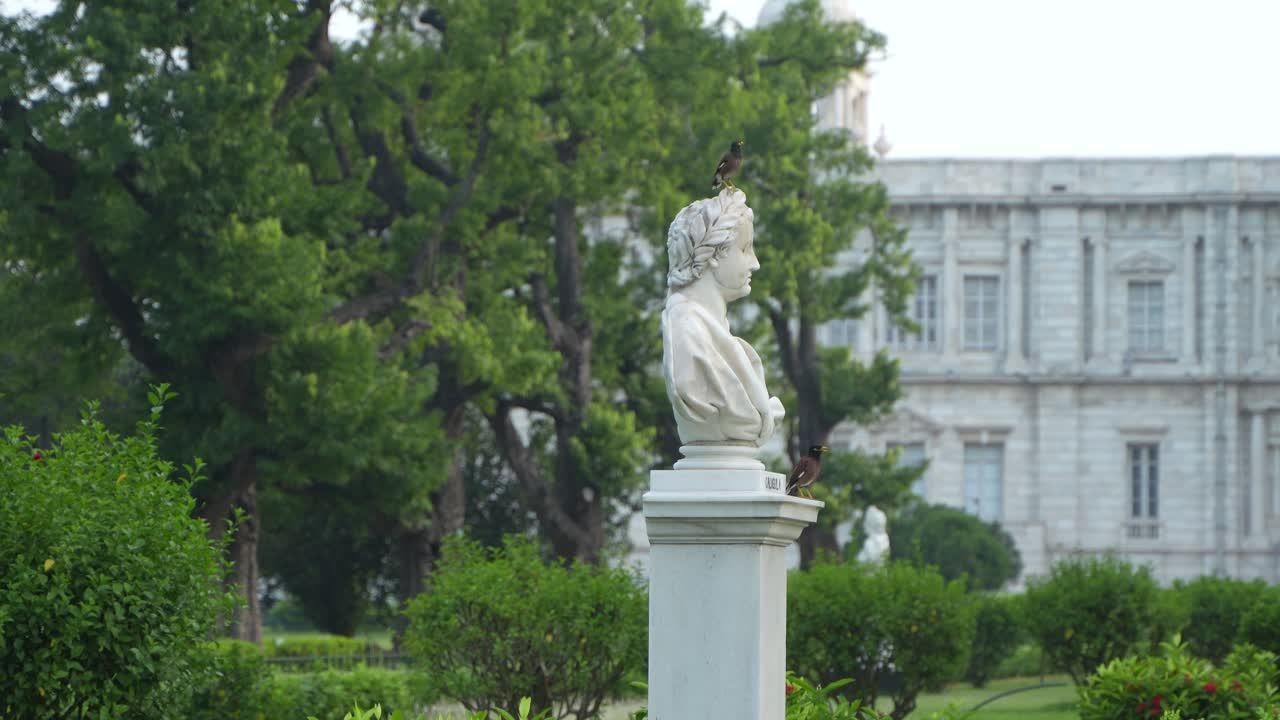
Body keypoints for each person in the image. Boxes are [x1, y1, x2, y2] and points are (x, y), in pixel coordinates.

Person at [662, 188, 785, 447]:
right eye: (745, 249)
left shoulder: (710, 331)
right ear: (715, 254)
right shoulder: (688, 331)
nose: (755, 263)